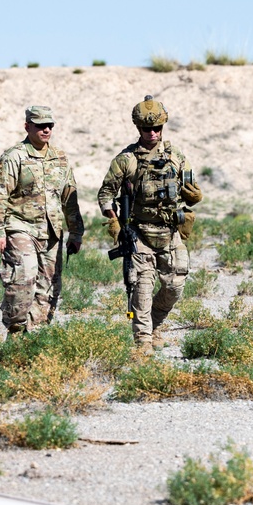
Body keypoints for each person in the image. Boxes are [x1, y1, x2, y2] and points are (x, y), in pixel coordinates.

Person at [97, 96, 202, 351]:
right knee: (141, 290)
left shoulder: (176, 157)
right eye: (147, 129)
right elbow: (105, 194)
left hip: (170, 233)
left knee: (175, 286)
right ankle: (142, 341)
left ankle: (154, 324)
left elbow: (193, 191)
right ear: (138, 129)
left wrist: (193, 193)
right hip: (140, 234)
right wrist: (114, 221)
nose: (153, 133)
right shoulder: (126, 160)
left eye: (157, 129)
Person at [0, 105, 84, 336]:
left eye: (50, 125)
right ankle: (16, 329)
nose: (46, 129)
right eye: (41, 125)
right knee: (23, 278)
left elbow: (69, 196)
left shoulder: (59, 158)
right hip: (20, 226)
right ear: (27, 126)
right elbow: (0, 194)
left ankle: (36, 334)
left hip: (51, 231)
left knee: (48, 285)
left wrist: (76, 232)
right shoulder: (14, 156)